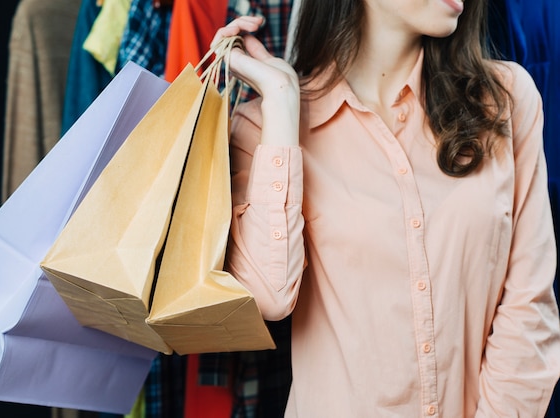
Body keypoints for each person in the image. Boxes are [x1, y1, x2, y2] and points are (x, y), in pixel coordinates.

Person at [211, 0, 560, 416]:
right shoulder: (264, 131)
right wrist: (283, 101)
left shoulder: (506, 100)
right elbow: (269, 297)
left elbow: (528, 310)